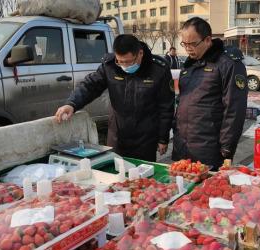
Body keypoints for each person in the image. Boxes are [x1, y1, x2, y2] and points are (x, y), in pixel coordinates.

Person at [55, 34, 174, 162]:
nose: (125, 66)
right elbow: (90, 86)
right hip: (117, 136)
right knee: (115, 175)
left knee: (142, 177)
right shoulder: (110, 66)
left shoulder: (158, 69)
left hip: (145, 138)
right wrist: (72, 103)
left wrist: (163, 138)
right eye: (120, 61)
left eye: (129, 62)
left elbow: (166, 106)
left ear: (140, 53)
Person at [172, 17, 248, 169]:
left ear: (207, 40)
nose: (187, 49)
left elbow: (234, 108)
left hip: (209, 148)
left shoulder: (228, 64)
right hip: (183, 146)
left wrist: (227, 147)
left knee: (208, 191)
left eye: (192, 44)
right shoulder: (190, 65)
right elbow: (183, 103)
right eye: (184, 44)